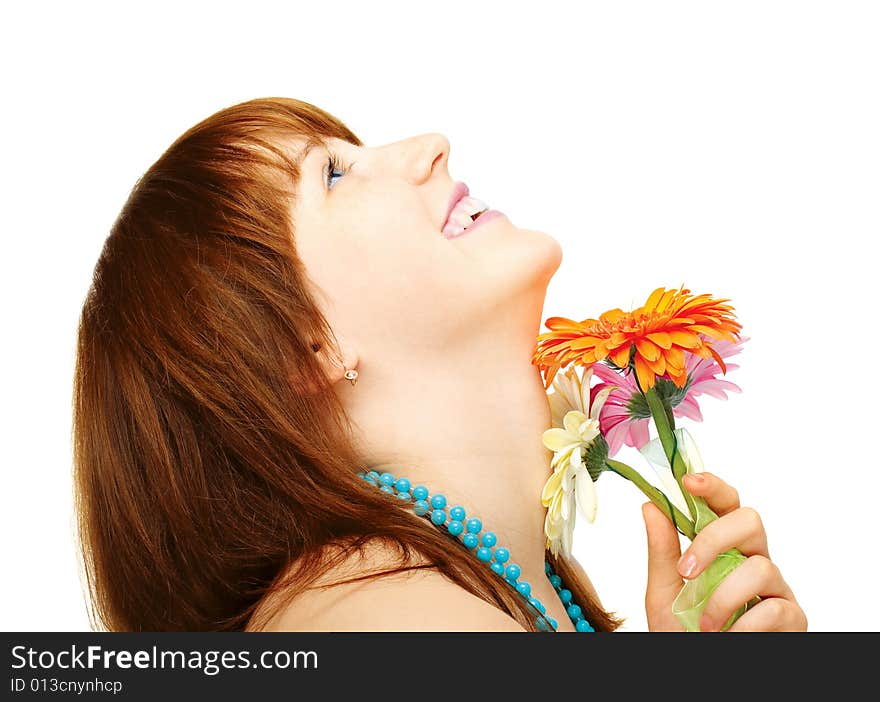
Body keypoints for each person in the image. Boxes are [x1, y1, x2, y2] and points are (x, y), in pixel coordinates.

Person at [72, 97, 807, 632]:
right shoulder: (371, 618)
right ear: (306, 343)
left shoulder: (472, 591)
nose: (432, 144)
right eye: (332, 174)